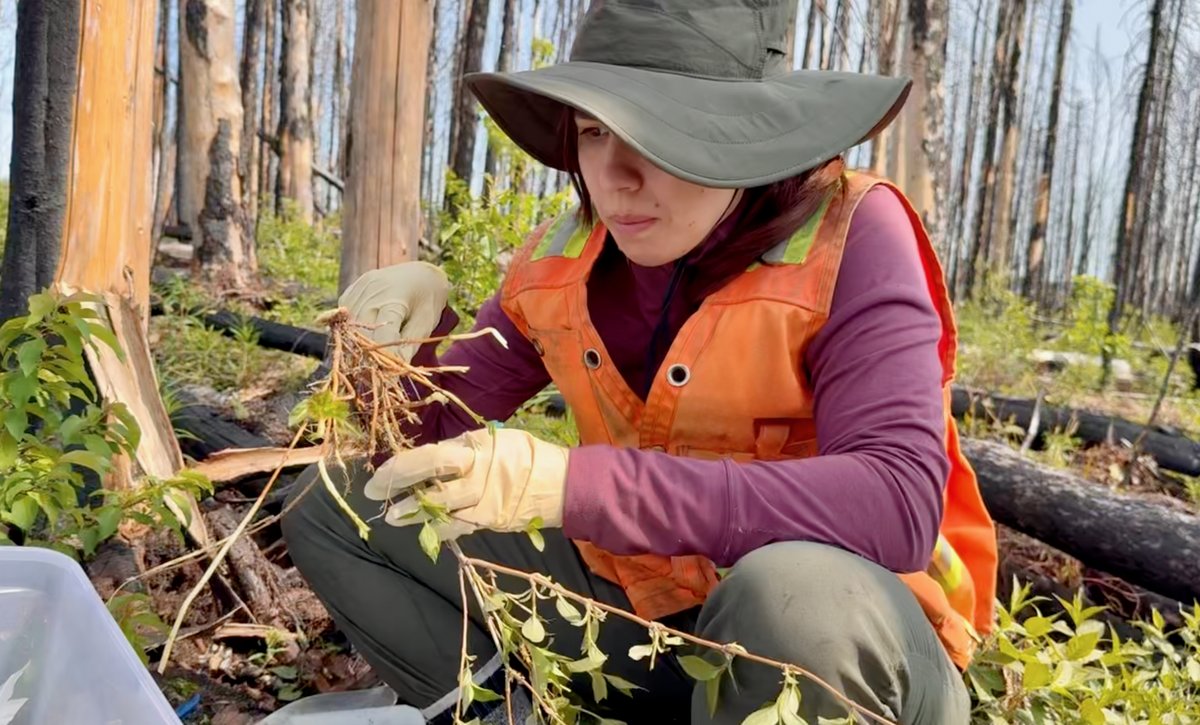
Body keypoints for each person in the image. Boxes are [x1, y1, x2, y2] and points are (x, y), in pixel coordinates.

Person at [281, 1, 998, 723]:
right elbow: (412, 446)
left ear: (748, 135)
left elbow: (897, 504)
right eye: (594, 130)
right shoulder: (568, 258)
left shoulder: (851, 237)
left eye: (658, 134)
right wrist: (399, 345)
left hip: (852, 645)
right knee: (341, 502)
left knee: (790, 595)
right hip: (648, 615)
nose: (614, 177)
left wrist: (581, 485)